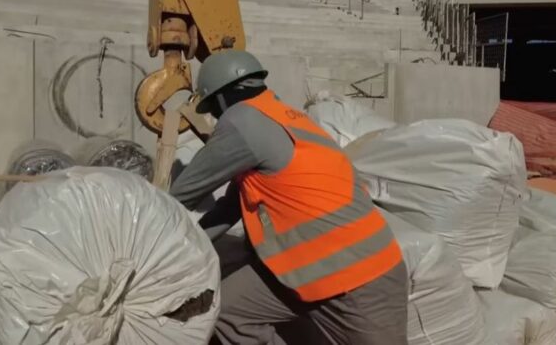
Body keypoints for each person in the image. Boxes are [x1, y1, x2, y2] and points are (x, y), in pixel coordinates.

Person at [170, 50, 408, 345]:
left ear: (219, 99)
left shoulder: (241, 120)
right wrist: (190, 249)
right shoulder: (283, 117)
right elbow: (229, 208)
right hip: (308, 271)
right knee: (229, 310)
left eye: (212, 109)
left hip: (361, 277)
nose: (215, 118)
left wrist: (149, 245)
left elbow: (179, 196)